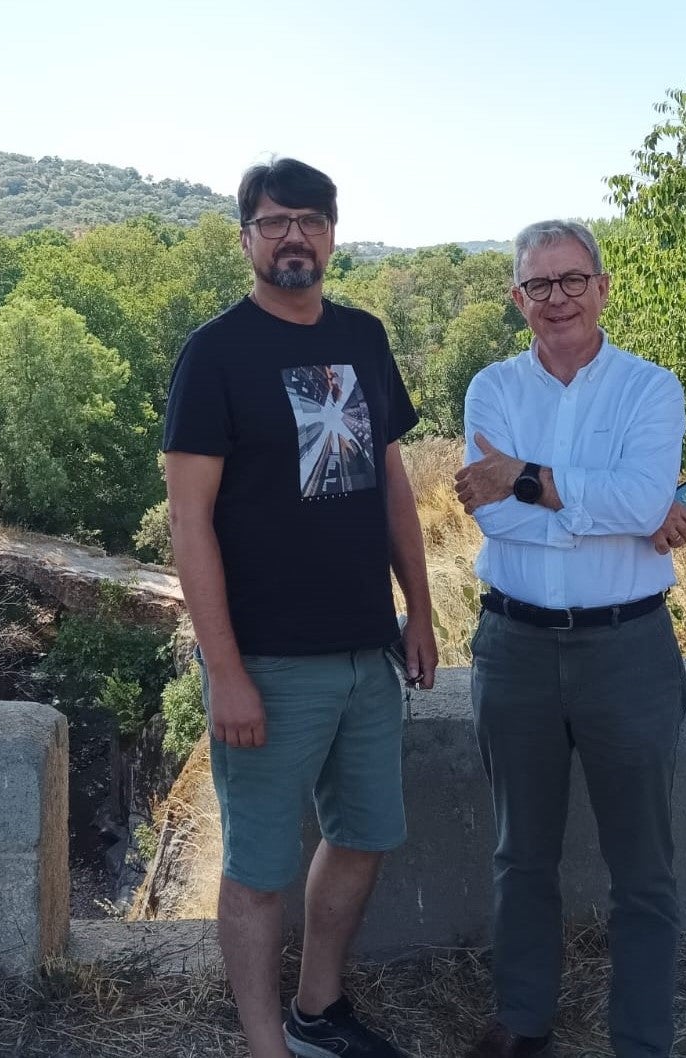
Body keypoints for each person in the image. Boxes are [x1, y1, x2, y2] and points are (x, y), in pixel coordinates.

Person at [163, 157, 437, 1058]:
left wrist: (420, 613)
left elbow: (391, 482)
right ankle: (263, 1045)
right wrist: (226, 670)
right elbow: (190, 521)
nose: (295, 237)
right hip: (269, 661)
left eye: (311, 221)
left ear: (331, 234)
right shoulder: (216, 353)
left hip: (367, 647)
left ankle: (318, 1011)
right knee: (258, 869)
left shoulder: (363, 335)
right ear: (246, 236)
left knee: (363, 838)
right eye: (275, 221)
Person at [454, 220, 686, 1058]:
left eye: (571, 280)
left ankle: (642, 1040)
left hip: (627, 650)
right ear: (517, 298)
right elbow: (484, 512)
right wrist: (611, 512)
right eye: (538, 285)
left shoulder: (650, 389)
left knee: (645, 869)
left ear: (601, 286)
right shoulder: (491, 388)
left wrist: (529, 482)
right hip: (514, 648)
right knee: (520, 853)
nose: (556, 298)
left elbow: (639, 505)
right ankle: (523, 1022)